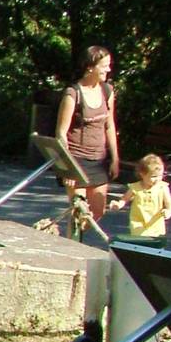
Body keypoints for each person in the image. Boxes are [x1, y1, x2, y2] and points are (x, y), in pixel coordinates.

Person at [54, 45, 120, 222]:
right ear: (90, 67)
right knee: (79, 213)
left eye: (109, 65)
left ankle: (72, 238)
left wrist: (115, 158)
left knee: (97, 212)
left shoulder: (107, 91)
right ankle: (72, 239)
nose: (108, 69)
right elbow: (61, 133)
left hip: (99, 161)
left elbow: (110, 126)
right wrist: (67, 168)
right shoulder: (72, 93)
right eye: (104, 66)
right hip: (77, 160)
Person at [108, 153, 171, 245]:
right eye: (153, 176)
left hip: (155, 224)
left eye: (160, 176)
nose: (157, 179)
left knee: (155, 245)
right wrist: (118, 204)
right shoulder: (136, 187)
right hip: (138, 223)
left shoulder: (162, 187)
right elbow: (125, 199)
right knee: (140, 243)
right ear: (142, 174)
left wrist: (169, 211)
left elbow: (170, 204)